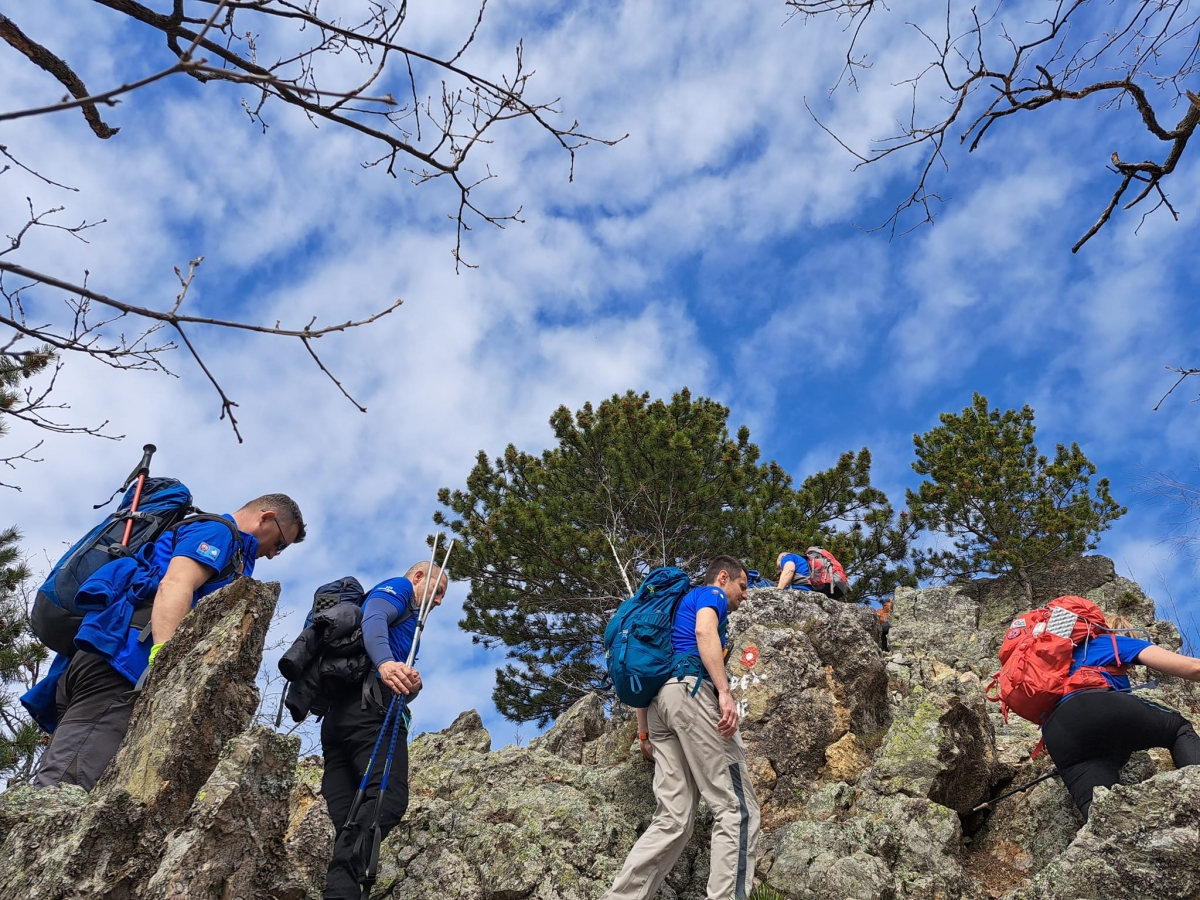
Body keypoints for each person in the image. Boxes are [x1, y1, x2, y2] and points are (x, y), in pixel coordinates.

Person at [32, 493, 305, 791]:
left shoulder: (231, 548)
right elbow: (176, 583)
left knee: (82, 773)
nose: (273, 555)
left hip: (108, 660)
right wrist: (164, 659)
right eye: (279, 543)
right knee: (67, 784)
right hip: (125, 664)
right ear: (265, 517)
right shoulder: (218, 533)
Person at [603, 555, 761, 900]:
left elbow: (649, 670)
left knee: (673, 819)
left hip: (659, 707)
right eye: (742, 586)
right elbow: (705, 630)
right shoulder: (711, 595)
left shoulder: (671, 608)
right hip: (691, 695)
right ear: (723, 577)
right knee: (736, 808)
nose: (744, 595)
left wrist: (644, 732)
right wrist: (724, 692)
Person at [320, 560, 447, 900]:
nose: (437, 602)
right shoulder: (400, 589)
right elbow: (374, 616)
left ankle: (340, 893)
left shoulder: (405, 626)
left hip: (338, 720)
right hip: (369, 714)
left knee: (350, 819)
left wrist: (410, 684)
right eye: (437, 592)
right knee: (386, 800)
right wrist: (386, 662)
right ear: (419, 577)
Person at [1041, 614, 1200, 820]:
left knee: (1101, 816)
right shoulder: (1112, 640)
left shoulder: (1057, 660)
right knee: (1178, 728)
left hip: (1058, 733)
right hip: (1095, 703)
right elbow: (1193, 667)